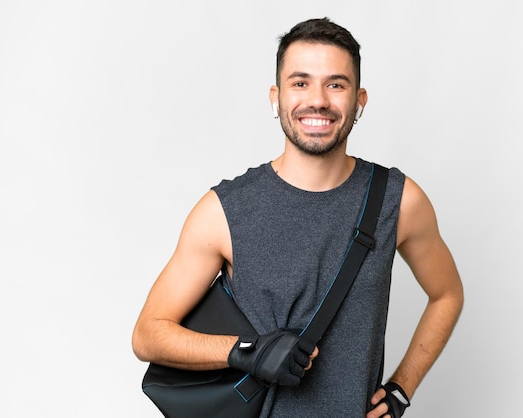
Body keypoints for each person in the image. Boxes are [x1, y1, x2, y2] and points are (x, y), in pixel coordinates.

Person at [132, 17, 464, 418]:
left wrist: (401, 389)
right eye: (300, 82)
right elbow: (148, 334)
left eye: (336, 84)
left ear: (359, 101)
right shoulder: (223, 210)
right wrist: (246, 353)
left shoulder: (399, 200)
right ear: (276, 97)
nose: (318, 100)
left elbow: (446, 295)